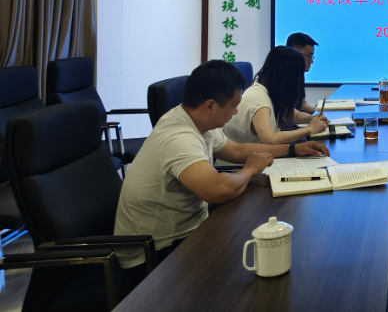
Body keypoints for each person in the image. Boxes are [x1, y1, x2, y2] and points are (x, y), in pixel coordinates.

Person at [114, 60, 330, 273]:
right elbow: (218, 189)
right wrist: (249, 170)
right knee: (252, 263)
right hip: (154, 255)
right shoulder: (178, 137)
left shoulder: (197, 121)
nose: (236, 112)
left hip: (190, 230)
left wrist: (293, 149)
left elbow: (236, 150)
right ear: (210, 106)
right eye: (233, 106)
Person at [222, 46, 328, 145]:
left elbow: (293, 115)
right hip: (244, 158)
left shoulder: (268, 90)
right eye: (298, 76)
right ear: (288, 77)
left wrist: (312, 119)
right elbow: (270, 139)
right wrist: (309, 129)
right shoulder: (259, 99)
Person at [286, 32, 318, 114]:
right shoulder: (281, 77)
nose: (311, 61)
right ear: (295, 53)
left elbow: (302, 104)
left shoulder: (299, 74)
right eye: (309, 56)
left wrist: (318, 113)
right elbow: (285, 114)